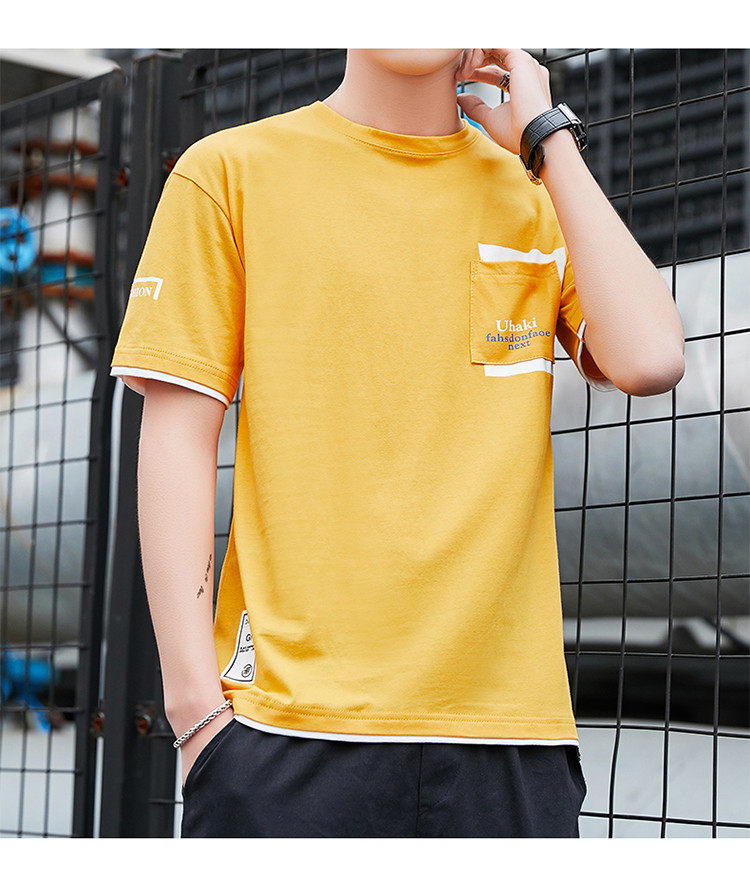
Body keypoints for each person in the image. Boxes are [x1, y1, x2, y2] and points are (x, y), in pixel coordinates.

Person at [109, 48, 685, 838]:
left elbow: (652, 358)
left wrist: (549, 137)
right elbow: (176, 435)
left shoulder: (536, 190)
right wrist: (196, 715)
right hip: (284, 730)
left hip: (509, 736)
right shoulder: (230, 173)